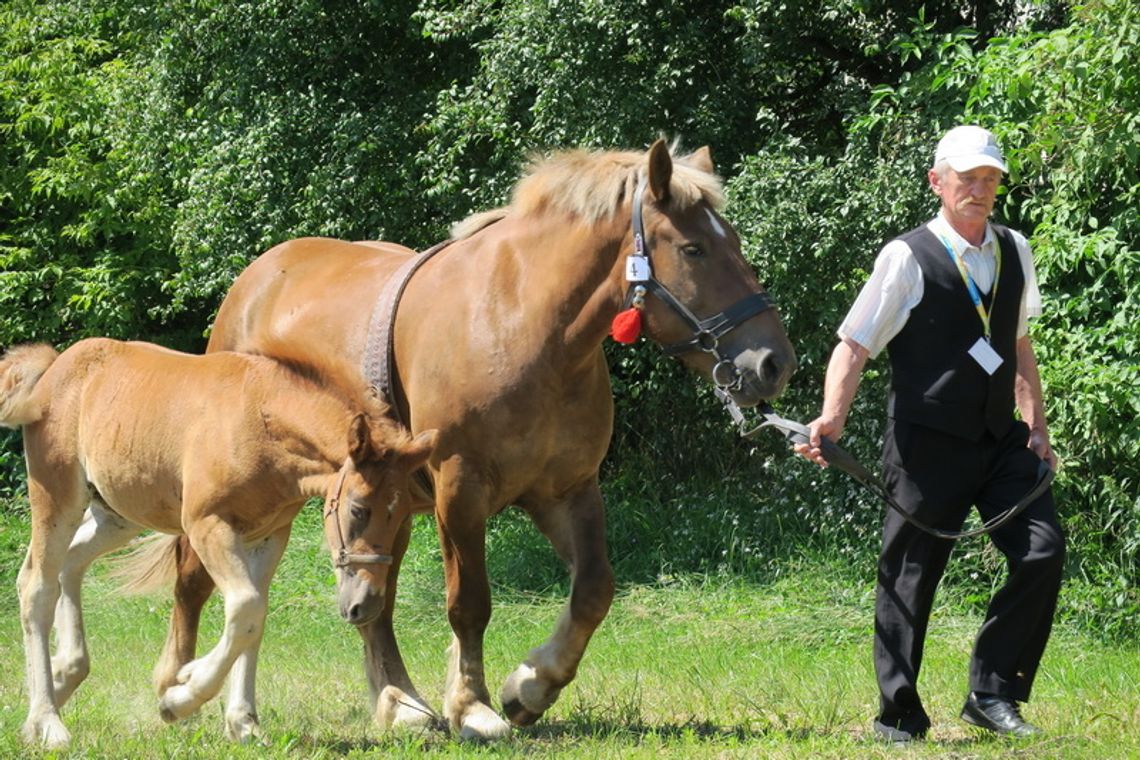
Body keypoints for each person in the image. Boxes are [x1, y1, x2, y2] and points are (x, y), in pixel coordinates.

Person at [794, 125, 1065, 742]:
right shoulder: (907, 256)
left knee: (1043, 551)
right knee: (909, 576)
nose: (980, 189)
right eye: (967, 178)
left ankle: (992, 695)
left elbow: (1018, 345)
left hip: (1002, 441)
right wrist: (831, 418)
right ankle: (899, 716)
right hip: (925, 445)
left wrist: (1037, 426)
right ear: (937, 182)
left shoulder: (1014, 249)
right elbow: (855, 343)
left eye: (990, 179)